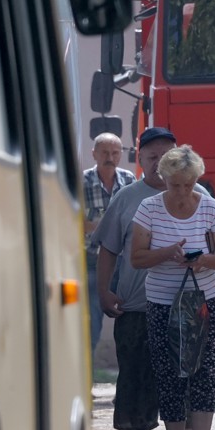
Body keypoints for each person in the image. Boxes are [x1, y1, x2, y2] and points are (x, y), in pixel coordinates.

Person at [92, 127, 207, 430]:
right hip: (137, 305)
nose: (159, 163)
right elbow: (108, 249)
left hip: (185, 307)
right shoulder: (127, 198)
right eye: (152, 156)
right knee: (138, 377)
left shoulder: (200, 195)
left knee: (186, 377)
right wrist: (104, 291)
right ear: (139, 159)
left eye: (166, 155)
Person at [130, 145, 215, 430]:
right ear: (164, 179)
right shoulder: (148, 208)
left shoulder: (211, 208)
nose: (183, 191)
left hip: (205, 301)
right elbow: (137, 258)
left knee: (204, 377)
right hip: (162, 304)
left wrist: (201, 260)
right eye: (176, 184)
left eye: (188, 184)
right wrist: (168, 253)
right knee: (170, 378)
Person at [83, 132, 136, 353]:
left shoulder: (129, 181)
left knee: (132, 318)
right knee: (92, 323)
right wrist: (109, 227)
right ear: (94, 153)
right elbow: (70, 220)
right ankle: (87, 380)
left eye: (115, 152)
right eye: (104, 152)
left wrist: (100, 225)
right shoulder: (82, 181)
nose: (110, 157)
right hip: (93, 260)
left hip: (124, 261)